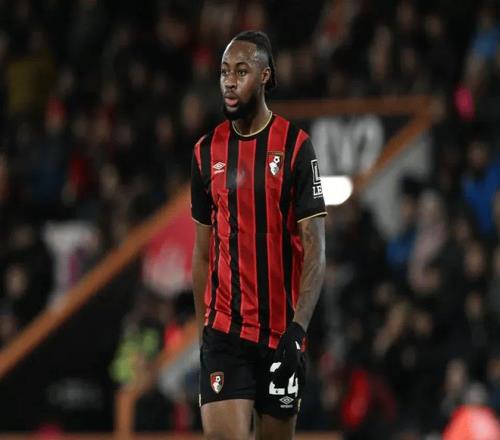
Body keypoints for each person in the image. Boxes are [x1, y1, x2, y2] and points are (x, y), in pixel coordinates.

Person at [191, 30, 326, 440]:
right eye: (224, 72)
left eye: (241, 71)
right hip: (225, 334)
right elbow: (202, 255)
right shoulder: (205, 152)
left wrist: (298, 332)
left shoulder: (297, 147)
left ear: (265, 76)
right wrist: (204, 337)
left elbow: (316, 250)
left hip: (282, 335)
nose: (229, 82)